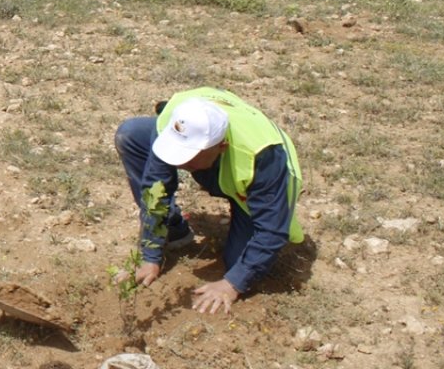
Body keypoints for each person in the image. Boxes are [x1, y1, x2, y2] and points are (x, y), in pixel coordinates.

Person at [113, 87, 304, 314]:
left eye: (189, 158)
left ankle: (239, 221)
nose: (179, 164)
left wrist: (232, 284)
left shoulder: (264, 156)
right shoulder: (177, 120)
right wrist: (150, 255)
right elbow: (155, 188)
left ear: (220, 148)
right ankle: (174, 230)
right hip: (220, 165)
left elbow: (272, 231)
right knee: (131, 134)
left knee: (238, 267)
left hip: (254, 186)